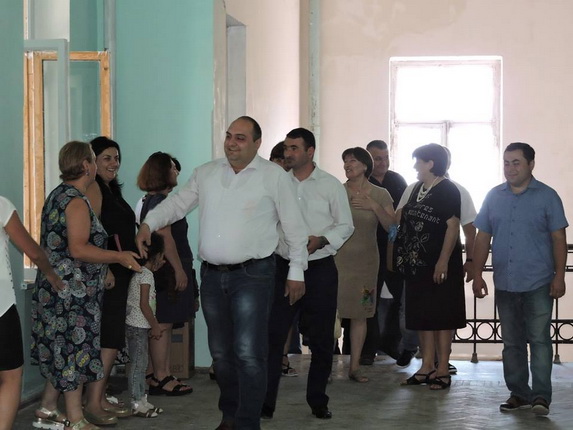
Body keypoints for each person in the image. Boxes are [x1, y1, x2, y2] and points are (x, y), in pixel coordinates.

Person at [136, 116, 308, 430]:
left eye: (240, 138)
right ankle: (230, 416)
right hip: (213, 277)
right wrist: (148, 223)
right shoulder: (206, 173)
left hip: (254, 275)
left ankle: (247, 423)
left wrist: (296, 270)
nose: (231, 143)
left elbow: (294, 227)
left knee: (248, 353)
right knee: (221, 355)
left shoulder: (274, 177)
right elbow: (177, 204)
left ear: (256, 143)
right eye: (229, 136)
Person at [31, 141, 141, 430]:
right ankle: (76, 419)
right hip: (71, 292)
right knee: (73, 352)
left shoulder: (58, 195)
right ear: (85, 165)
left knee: (61, 349)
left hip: (57, 288)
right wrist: (118, 256)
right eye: (94, 159)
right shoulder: (76, 201)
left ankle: (47, 407)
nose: (97, 165)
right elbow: (79, 248)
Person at [262, 128, 353, 419]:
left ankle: (318, 400)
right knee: (273, 336)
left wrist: (322, 240)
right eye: (286, 148)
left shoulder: (330, 185)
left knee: (322, 339)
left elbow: (345, 225)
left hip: (320, 269)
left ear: (310, 151)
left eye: (294, 148)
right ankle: (265, 402)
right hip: (282, 267)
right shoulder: (277, 183)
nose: (288, 153)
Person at [472, 142, 567, 416]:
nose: (510, 168)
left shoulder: (548, 196)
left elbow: (558, 238)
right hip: (505, 282)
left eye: (516, 162)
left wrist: (559, 276)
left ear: (531, 165)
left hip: (538, 282)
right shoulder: (493, 196)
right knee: (512, 343)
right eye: (506, 162)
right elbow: (482, 238)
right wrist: (477, 274)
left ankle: (541, 396)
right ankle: (519, 393)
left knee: (539, 341)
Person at [397, 145, 478, 373]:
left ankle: (441, 368)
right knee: (421, 316)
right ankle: (426, 366)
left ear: (431, 163)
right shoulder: (414, 189)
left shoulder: (451, 190)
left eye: (418, 161)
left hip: (441, 266)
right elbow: (399, 220)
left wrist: (457, 261)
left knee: (442, 316)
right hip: (417, 265)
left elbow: (456, 227)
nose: (415, 166)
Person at [84, 136, 138, 421]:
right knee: (108, 337)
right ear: (91, 161)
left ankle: (100, 397)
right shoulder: (94, 188)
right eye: (106, 158)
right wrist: (106, 267)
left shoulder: (111, 190)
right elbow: (93, 232)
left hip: (120, 271)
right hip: (108, 274)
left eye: (116, 158)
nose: (114, 163)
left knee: (112, 337)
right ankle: (93, 403)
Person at [0, 197, 64, 430]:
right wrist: (51, 274)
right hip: (1, 307)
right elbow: (34, 253)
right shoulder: (1, 205)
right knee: (10, 376)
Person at [137, 152, 195, 396]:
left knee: (163, 321)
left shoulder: (150, 200)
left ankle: (154, 373)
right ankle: (162, 376)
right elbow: (166, 238)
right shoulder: (160, 202)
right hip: (168, 270)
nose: (176, 171)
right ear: (162, 172)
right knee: (164, 323)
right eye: (172, 167)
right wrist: (179, 270)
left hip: (162, 269)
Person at [336, 147, 394, 382]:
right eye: (345, 161)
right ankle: (325, 366)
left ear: (365, 165)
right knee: (331, 314)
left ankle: (355, 367)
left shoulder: (380, 194)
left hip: (367, 265)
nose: (347, 165)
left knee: (361, 314)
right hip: (337, 262)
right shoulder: (336, 191)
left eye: (352, 161)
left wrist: (374, 206)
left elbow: (393, 228)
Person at [362, 140, 408, 366]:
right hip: (367, 250)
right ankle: (365, 348)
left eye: (386, 157)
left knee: (398, 300)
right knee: (366, 299)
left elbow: (404, 215)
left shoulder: (397, 181)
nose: (383, 163)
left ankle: (393, 343)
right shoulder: (360, 183)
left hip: (395, 251)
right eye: (377, 158)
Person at [125, 232, 165, 418]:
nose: (163, 260)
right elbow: (144, 304)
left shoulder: (141, 272)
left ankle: (142, 399)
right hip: (138, 326)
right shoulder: (146, 275)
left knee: (141, 363)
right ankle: (136, 402)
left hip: (138, 325)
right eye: (162, 256)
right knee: (138, 365)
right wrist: (155, 325)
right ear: (156, 255)